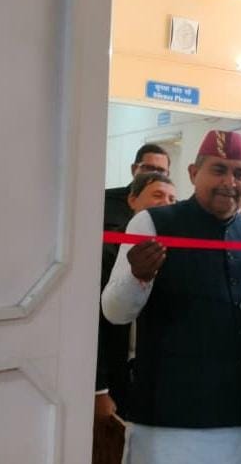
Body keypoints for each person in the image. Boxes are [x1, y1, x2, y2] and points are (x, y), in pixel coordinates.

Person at [101, 130, 241, 464]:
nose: (230, 182)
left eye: (239, 173)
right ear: (193, 173)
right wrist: (138, 276)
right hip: (170, 415)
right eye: (218, 170)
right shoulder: (152, 222)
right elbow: (114, 312)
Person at [94, 172, 176, 464]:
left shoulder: (174, 253)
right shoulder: (106, 250)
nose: (165, 203)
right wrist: (99, 389)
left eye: (172, 199)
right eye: (157, 195)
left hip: (151, 383)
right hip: (113, 379)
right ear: (132, 200)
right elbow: (92, 327)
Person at [104, 144, 170, 231]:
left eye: (161, 170)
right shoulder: (106, 200)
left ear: (167, 175)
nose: (155, 174)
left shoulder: (173, 207)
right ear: (134, 169)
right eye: (148, 168)